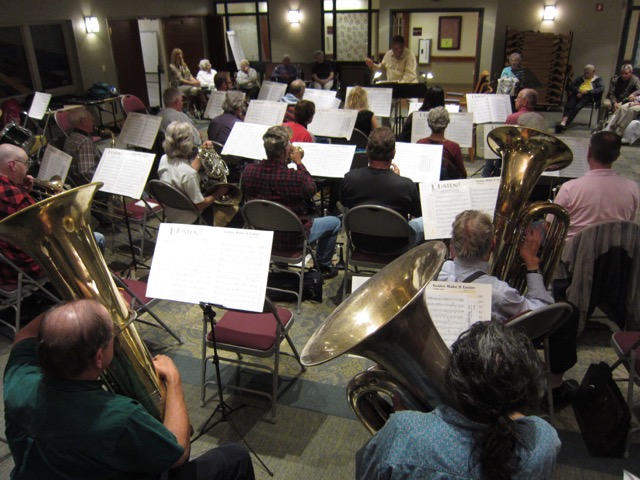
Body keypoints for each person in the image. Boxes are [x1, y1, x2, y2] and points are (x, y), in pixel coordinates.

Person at [4, 299, 255, 480]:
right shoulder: (118, 417)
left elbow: (25, 333)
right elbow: (178, 453)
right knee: (235, 456)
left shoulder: (18, 380)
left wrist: (75, 310)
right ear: (99, 358)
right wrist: (175, 381)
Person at [356, 321, 560, 480]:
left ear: (453, 378)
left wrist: (405, 425)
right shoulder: (542, 440)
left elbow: (367, 472)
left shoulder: (403, 432)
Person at [437, 210, 579, 408]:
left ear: (452, 249)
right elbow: (544, 311)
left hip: (442, 352)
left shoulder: (437, 272)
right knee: (568, 312)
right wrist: (532, 265)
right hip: (487, 355)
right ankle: (555, 388)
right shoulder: (500, 292)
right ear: (493, 246)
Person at [241, 125, 340, 279]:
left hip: (263, 236)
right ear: (285, 150)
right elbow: (311, 189)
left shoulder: (248, 171)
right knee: (334, 222)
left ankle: (281, 267)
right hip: (293, 240)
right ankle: (323, 265)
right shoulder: (295, 177)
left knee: (275, 216)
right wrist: (299, 163)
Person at [0, 144, 106, 285]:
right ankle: (91, 290)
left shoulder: (10, 191)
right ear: (12, 165)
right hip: (28, 266)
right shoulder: (14, 196)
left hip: (6, 265)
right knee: (96, 239)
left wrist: (24, 190)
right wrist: (62, 206)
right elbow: (46, 230)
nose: (28, 169)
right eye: (25, 164)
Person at [340, 127, 424, 247]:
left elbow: (344, 203)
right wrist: (397, 180)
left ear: (367, 150)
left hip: (360, 242)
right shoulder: (406, 185)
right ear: (394, 153)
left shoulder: (350, 179)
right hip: (396, 245)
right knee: (427, 222)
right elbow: (417, 212)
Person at [548, 131, 639, 239]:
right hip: (613, 252)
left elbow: (549, 227)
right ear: (616, 156)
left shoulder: (569, 188)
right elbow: (629, 225)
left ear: (589, 153)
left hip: (573, 253)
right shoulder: (632, 187)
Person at [158, 121, 222, 225]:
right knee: (222, 211)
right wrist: (218, 193)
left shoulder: (164, 159)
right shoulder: (189, 174)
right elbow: (200, 205)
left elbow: (183, 175)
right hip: (189, 219)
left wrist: (202, 153)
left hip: (171, 211)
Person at [417, 107, 467, 180]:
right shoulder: (453, 147)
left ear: (428, 123)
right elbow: (463, 174)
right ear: (446, 124)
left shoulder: (420, 143)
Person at [556, 64, 604, 133]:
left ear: (593, 72)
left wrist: (586, 92)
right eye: (585, 72)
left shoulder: (598, 79)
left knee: (577, 107)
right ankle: (563, 122)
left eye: (588, 73)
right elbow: (571, 86)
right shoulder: (580, 78)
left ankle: (566, 123)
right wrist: (579, 91)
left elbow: (600, 89)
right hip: (578, 93)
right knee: (568, 105)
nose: (586, 74)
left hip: (589, 95)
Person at [63, 107, 100, 185]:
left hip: (76, 182)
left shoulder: (71, 137)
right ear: (84, 122)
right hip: (88, 186)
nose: (93, 122)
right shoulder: (84, 141)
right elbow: (87, 173)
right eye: (91, 119)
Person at [596, 63, 640, 129]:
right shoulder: (616, 79)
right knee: (605, 104)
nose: (623, 75)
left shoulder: (635, 80)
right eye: (622, 73)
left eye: (626, 74)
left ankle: (609, 124)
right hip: (613, 98)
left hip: (625, 100)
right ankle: (600, 123)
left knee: (619, 108)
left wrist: (633, 94)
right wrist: (614, 102)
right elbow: (611, 92)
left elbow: (639, 90)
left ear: (631, 72)